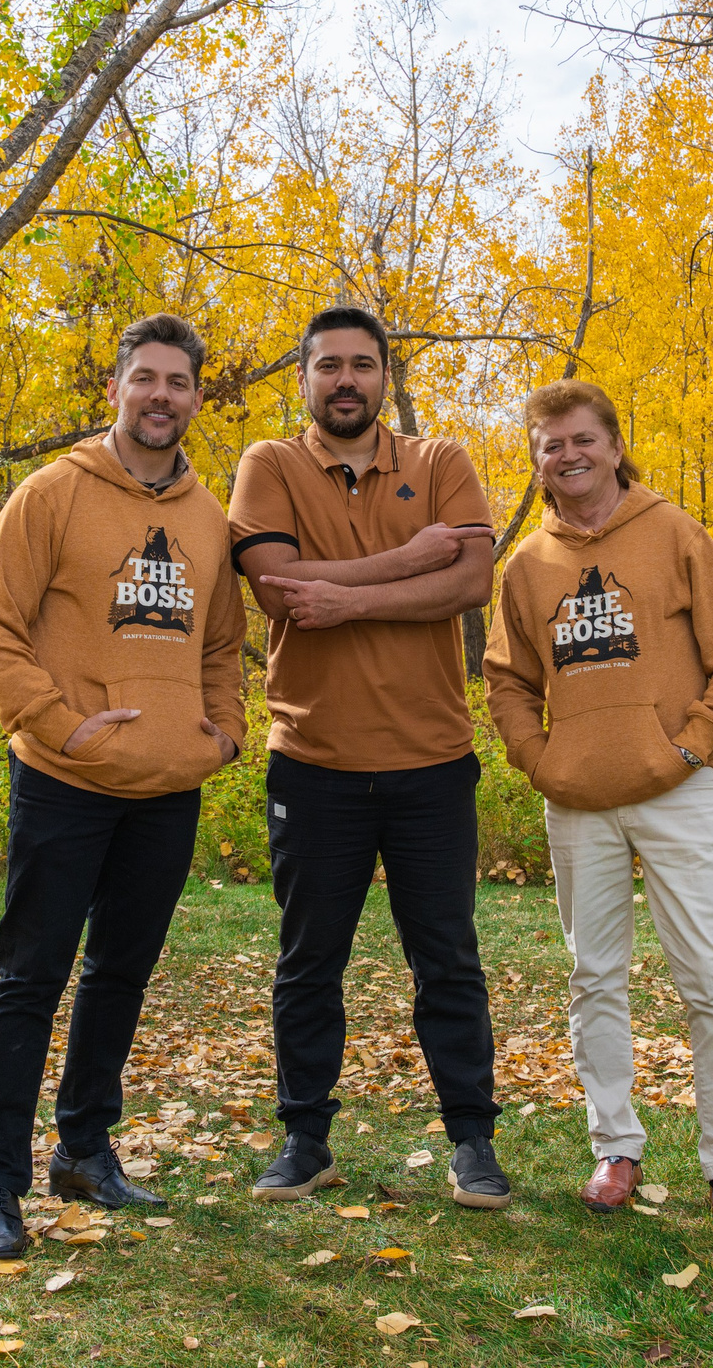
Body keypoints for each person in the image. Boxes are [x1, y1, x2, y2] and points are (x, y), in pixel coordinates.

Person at [0, 313, 247, 1259]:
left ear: (198, 397)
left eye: (179, 382)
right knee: (30, 978)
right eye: (145, 378)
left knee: (120, 971)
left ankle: (84, 1149)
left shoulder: (209, 520)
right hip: (65, 780)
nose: (161, 395)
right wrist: (59, 724)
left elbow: (224, 644)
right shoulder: (52, 495)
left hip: (168, 784)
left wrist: (225, 734)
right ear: (115, 389)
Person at [228, 306, 510, 1209]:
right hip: (313, 760)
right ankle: (305, 1139)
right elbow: (275, 584)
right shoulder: (268, 465)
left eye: (362, 365)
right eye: (327, 366)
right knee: (309, 961)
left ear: (386, 377)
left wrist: (343, 594)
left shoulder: (440, 462)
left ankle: (472, 1139)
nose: (345, 379)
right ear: (303, 378)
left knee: (449, 960)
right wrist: (409, 557)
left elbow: (469, 582)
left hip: (431, 759)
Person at [482, 378, 713, 1233]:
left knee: (710, 979)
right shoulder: (526, 567)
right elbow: (505, 679)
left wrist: (693, 742)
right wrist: (539, 760)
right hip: (579, 804)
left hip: (681, 791)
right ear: (536, 462)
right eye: (549, 444)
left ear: (613, 445)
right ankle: (616, 1146)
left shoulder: (676, 532)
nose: (567, 455)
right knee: (594, 978)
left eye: (582, 439)